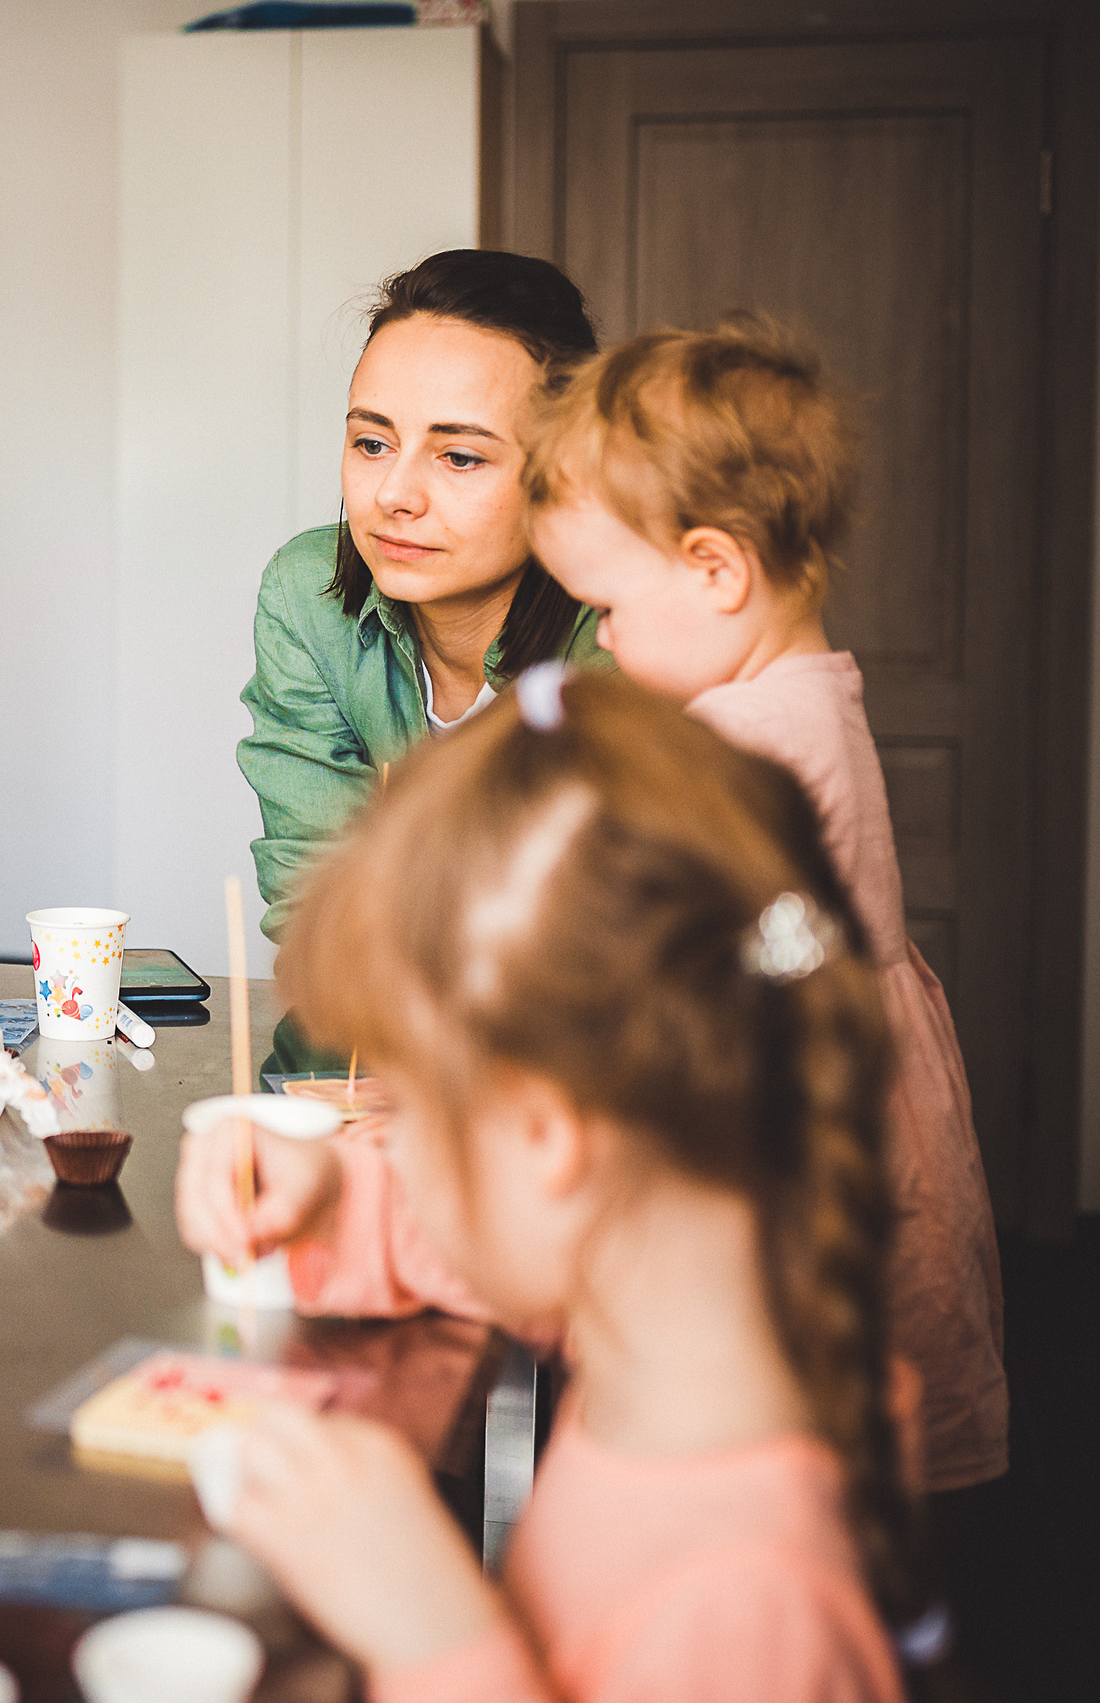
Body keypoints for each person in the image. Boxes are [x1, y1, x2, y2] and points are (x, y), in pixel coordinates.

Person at [184, 668, 915, 1701]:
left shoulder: (746, 1613)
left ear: (545, 1136)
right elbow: (520, 1237)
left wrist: (435, 1632)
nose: (397, 1143)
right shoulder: (676, 1324)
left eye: (409, 1110)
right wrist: (338, 1195)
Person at [521, 318, 1005, 1496]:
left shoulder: (757, 741)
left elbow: (742, 947)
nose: (603, 638)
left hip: (809, 1120)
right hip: (846, 1060)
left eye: (610, 609)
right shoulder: (797, 693)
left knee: (807, 1413)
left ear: (714, 569)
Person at [240, 251, 609, 1069]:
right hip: (358, 1072)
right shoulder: (309, 596)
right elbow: (316, 899)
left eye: (460, 457)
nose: (393, 495)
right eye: (372, 442)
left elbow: (597, 953)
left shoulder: (619, 632)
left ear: (562, 473)